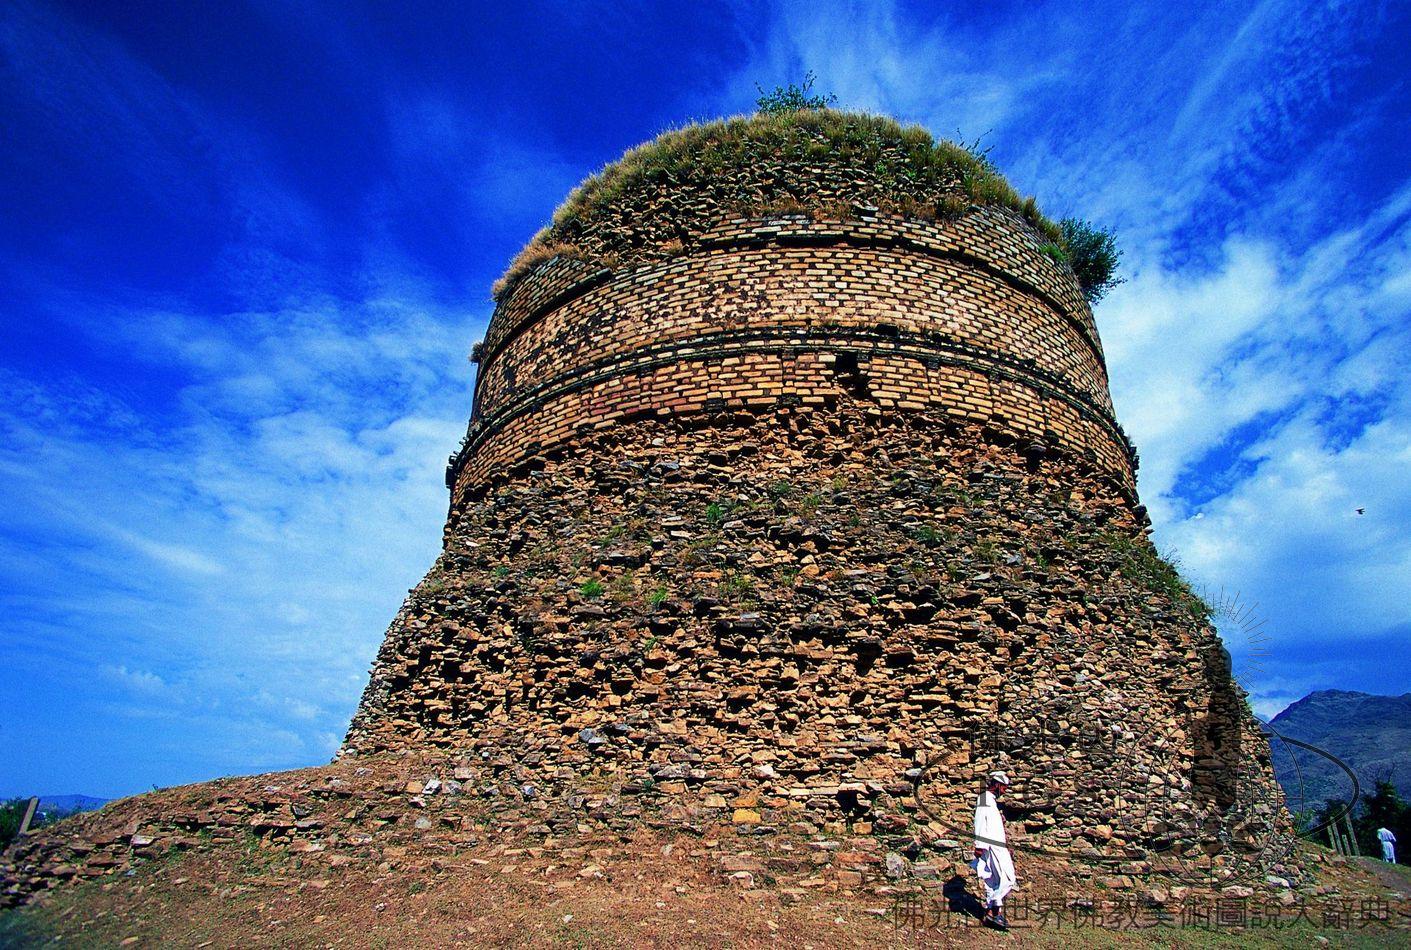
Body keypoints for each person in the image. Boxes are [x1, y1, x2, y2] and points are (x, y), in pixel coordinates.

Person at [974, 770, 1016, 931]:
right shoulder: (984, 798)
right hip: (991, 846)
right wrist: (980, 844)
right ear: (997, 785)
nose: (1004, 791)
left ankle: (993, 912)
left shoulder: (990, 800)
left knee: (995, 880)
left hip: (997, 845)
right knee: (1008, 878)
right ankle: (992, 911)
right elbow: (980, 821)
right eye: (1003, 787)